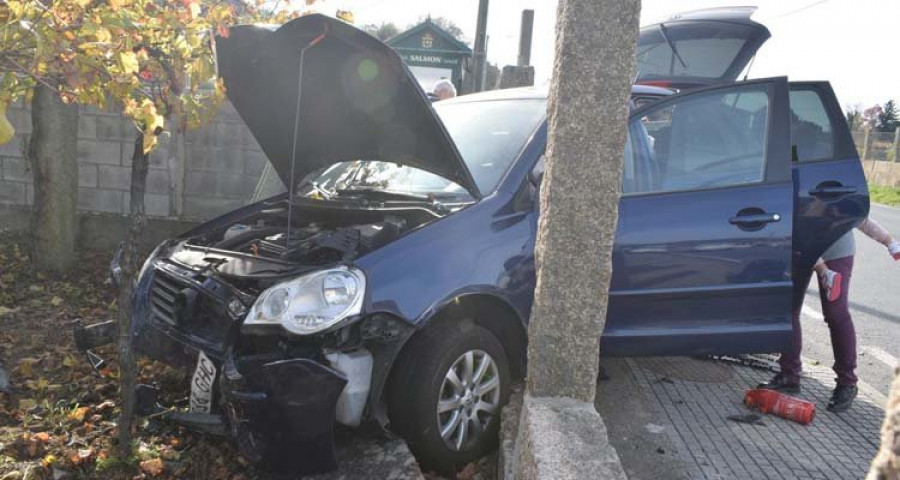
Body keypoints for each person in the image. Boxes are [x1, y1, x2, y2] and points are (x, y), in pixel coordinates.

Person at [759, 217, 900, 412]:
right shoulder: (798, 190)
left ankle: (847, 382)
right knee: (789, 309)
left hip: (837, 250)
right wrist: (823, 270)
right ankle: (789, 375)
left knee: (836, 313)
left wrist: (889, 242)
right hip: (801, 247)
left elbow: (860, 217)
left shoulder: (836, 190)